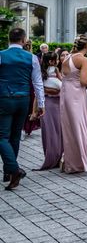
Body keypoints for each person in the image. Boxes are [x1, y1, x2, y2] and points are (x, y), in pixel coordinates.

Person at [0, 28, 44, 190]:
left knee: (2, 136)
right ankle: (9, 172)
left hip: (4, 98)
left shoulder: (1, 55)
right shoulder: (31, 57)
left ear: (9, 39)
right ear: (24, 40)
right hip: (23, 99)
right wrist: (41, 104)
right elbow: (38, 83)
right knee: (15, 135)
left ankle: (13, 169)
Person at [60, 36, 87, 174]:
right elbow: (83, 81)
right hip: (77, 95)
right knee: (81, 126)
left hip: (66, 93)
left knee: (69, 128)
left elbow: (66, 76)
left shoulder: (66, 58)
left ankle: (70, 161)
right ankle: (80, 161)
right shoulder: (83, 59)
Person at [36, 52, 63, 170]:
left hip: (57, 101)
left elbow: (62, 80)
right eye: (55, 59)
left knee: (58, 129)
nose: (57, 61)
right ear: (51, 60)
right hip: (48, 102)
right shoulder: (41, 71)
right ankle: (52, 156)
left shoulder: (56, 69)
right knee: (50, 130)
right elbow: (39, 87)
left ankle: (59, 155)